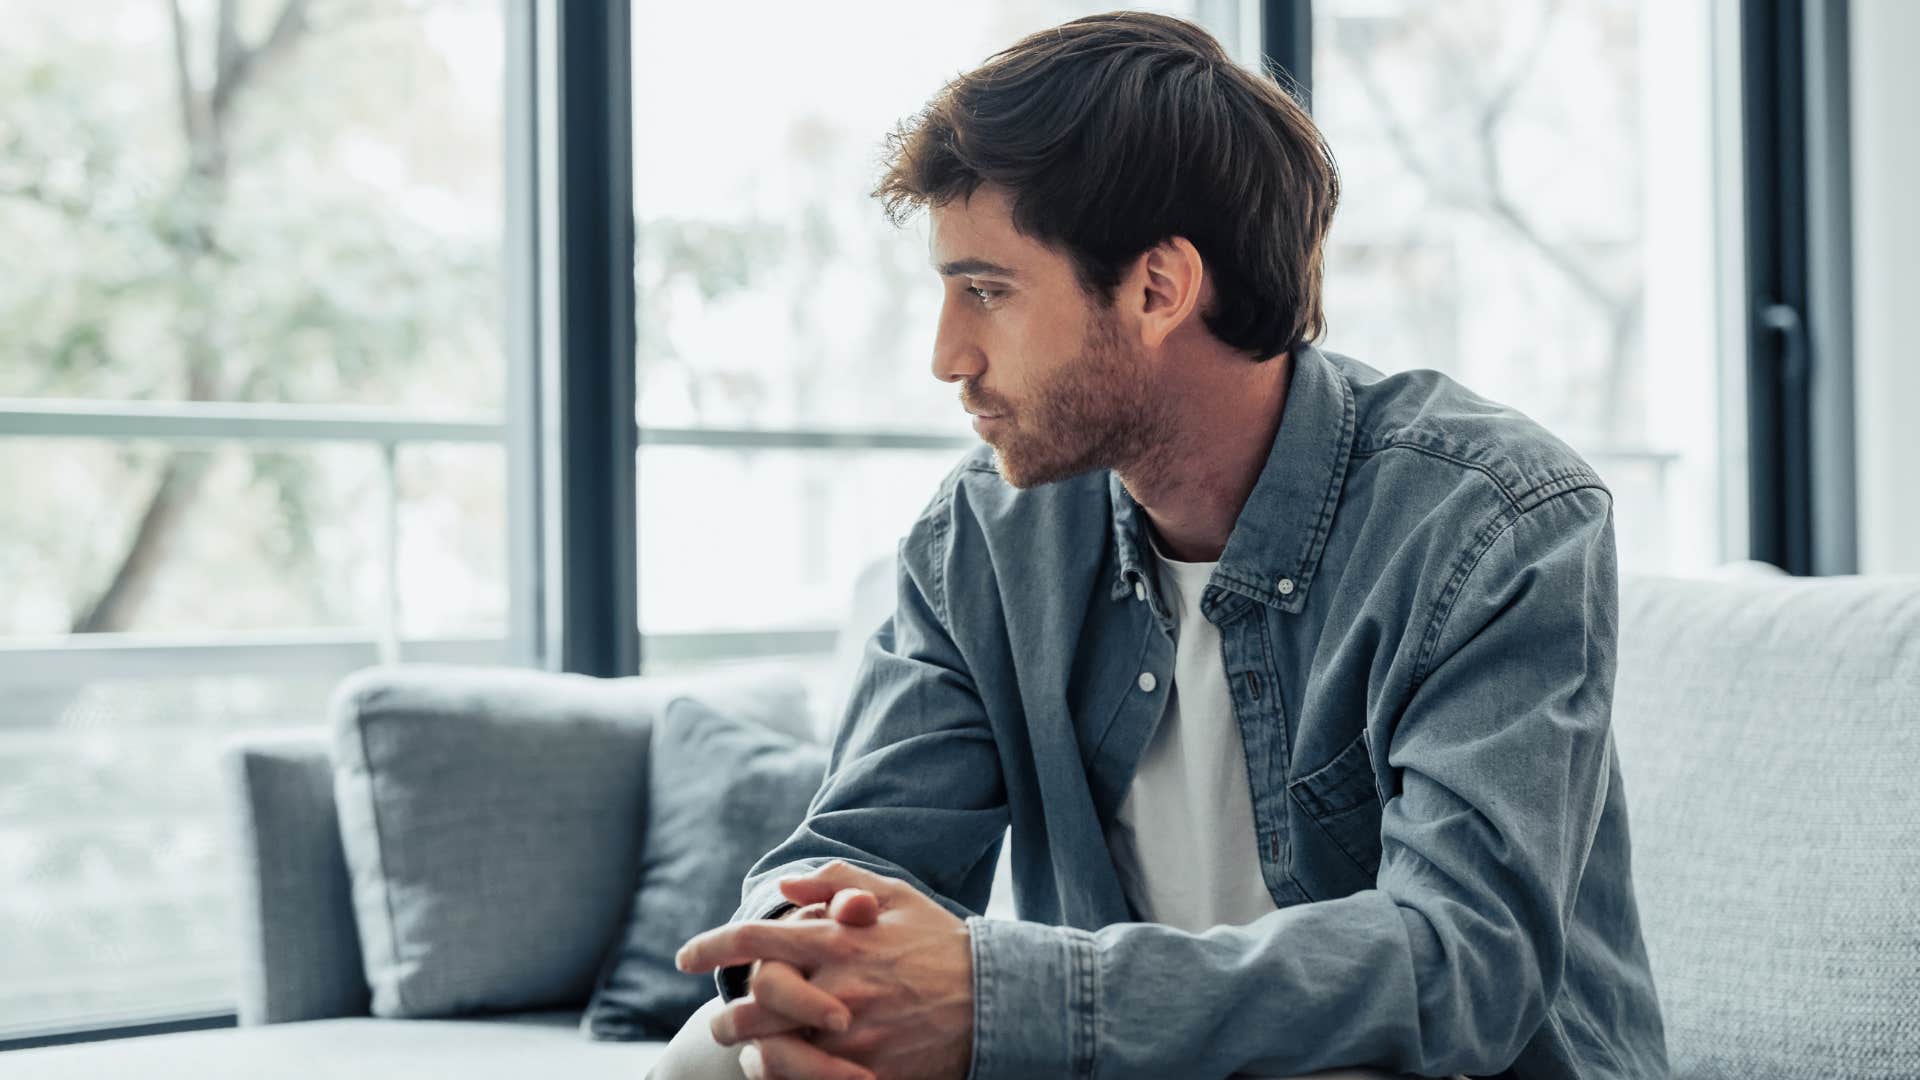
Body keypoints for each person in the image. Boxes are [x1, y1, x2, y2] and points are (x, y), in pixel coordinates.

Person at [652, 11, 1668, 1080]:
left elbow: (1461, 967)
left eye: (987, 291)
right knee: (717, 1062)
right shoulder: (988, 542)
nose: (948, 355)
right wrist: (801, 969)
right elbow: (850, 850)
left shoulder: (1493, 524)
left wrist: (1006, 996)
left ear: (1157, 289)